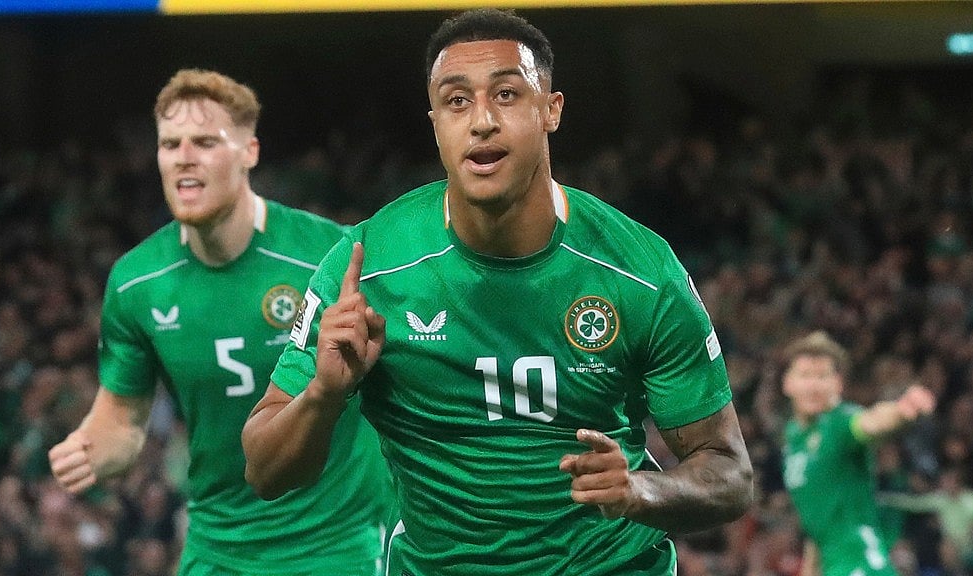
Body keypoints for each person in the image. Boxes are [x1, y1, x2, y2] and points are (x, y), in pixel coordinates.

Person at [242, 9, 753, 576]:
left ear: (550, 110)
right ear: (435, 122)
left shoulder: (639, 270)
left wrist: (639, 491)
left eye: (507, 94)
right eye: (457, 101)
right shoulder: (367, 271)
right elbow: (265, 472)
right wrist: (323, 393)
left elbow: (729, 473)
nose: (481, 121)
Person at [48, 69, 391, 576]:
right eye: (170, 144)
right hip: (218, 546)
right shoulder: (136, 282)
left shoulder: (333, 254)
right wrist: (93, 451)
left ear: (249, 151)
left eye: (205, 141)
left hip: (340, 543)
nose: (184, 156)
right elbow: (122, 420)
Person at [780, 330, 936, 576]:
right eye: (805, 375)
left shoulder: (839, 423)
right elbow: (818, 527)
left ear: (838, 384)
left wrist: (901, 411)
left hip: (860, 564)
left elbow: (870, 422)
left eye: (822, 376)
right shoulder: (793, 437)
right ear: (787, 382)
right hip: (833, 566)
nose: (813, 385)